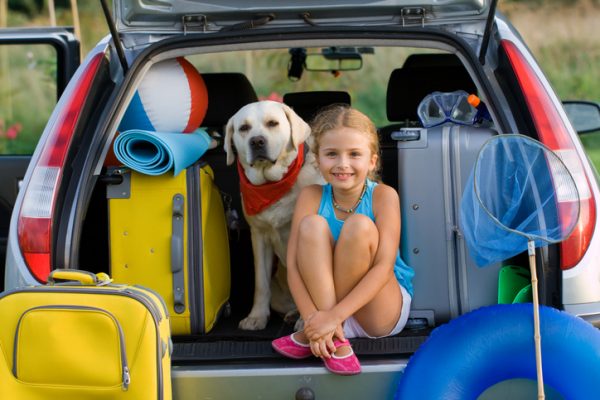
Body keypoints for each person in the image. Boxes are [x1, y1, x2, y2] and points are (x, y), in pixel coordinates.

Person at [271, 105, 414, 375]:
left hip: (376, 308)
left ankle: (323, 332)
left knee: (359, 226)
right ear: (317, 159)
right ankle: (334, 339)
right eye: (332, 154)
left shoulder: (384, 196)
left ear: (372, 161)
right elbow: (293, 266)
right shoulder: (311, 196)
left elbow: (384, 268)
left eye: (354, 154)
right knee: (311, 225)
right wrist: (314, 319)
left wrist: (329, 319)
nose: (342, 164)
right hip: (325, 311)